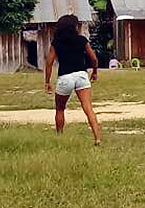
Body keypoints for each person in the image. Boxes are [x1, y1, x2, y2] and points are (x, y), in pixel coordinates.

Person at [44, 14, 102, 146]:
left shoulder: (56, 42)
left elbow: (49, 63)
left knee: (60, 109)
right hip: (81, 75)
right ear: (74, 27)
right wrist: (95, 72)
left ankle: (59, 136)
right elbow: (93, 58)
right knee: (88, 107)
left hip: (65, 77)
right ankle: (97, 138)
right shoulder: (82, 40)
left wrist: (47, 82)